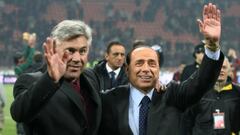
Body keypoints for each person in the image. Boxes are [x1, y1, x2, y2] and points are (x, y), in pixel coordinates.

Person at [99, 3, 224, 135]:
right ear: (127, 70)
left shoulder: (173, 96)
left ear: (159, 69)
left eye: (152, 63)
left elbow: (201, 82)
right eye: (139, 63)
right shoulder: (109, 100)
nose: (146, 69)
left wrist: (212, 47)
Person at [10, 20, 101, 135]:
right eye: (70, 51)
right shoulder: (31, 80)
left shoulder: (91, 77)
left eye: (82, 51)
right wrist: (50, 79)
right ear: (53, 49)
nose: (77, 58)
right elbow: (19, 113)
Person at [182, 57, 240, 135]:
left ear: (229, 71)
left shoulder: (237, 92)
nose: (221, 70)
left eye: (224, 67)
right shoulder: (198, 91)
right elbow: (187, 120)